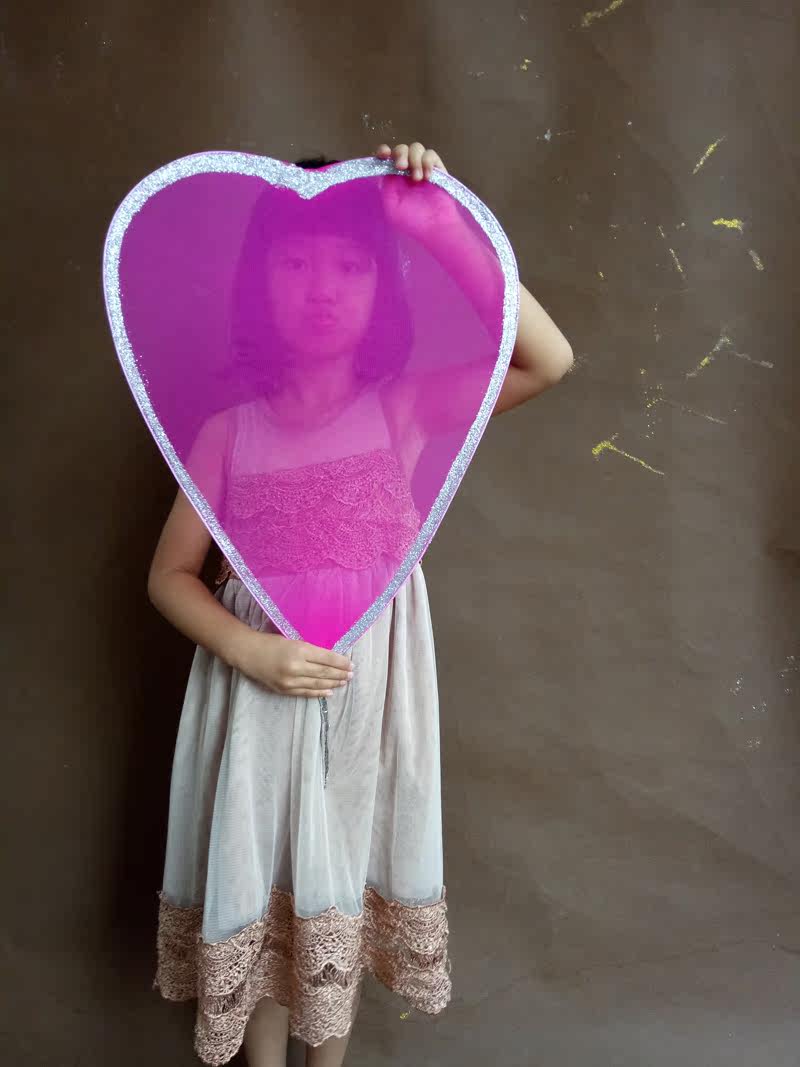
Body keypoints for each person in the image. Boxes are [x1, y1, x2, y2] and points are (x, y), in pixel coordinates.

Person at [148, 140, 574, 1067]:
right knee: (264, 882)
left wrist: (441, 225)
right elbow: (169, 573)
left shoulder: (403, 410)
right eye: (296, 263)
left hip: (365, 702)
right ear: (257, 283)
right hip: (260, 697)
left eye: (351, 265)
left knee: (332, 885)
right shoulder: (226, 432)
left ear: (383, 288)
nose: (321, 288)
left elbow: (549, 359)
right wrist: (250, 650)